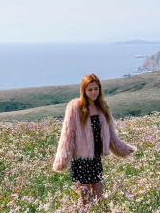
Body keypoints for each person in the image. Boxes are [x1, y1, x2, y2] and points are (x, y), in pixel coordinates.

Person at [53, 73, 136, 204]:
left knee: (99, 198)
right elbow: (67, 135)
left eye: (96, 89)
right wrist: (62, 159)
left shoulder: (103, 107)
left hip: (96, 158)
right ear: (84, 91)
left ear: (100, 89)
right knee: (85, 200)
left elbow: (111, 135)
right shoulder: (75, 108)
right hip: (80, 160)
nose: (93, 93)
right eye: (90, 90)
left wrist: (125, 149)